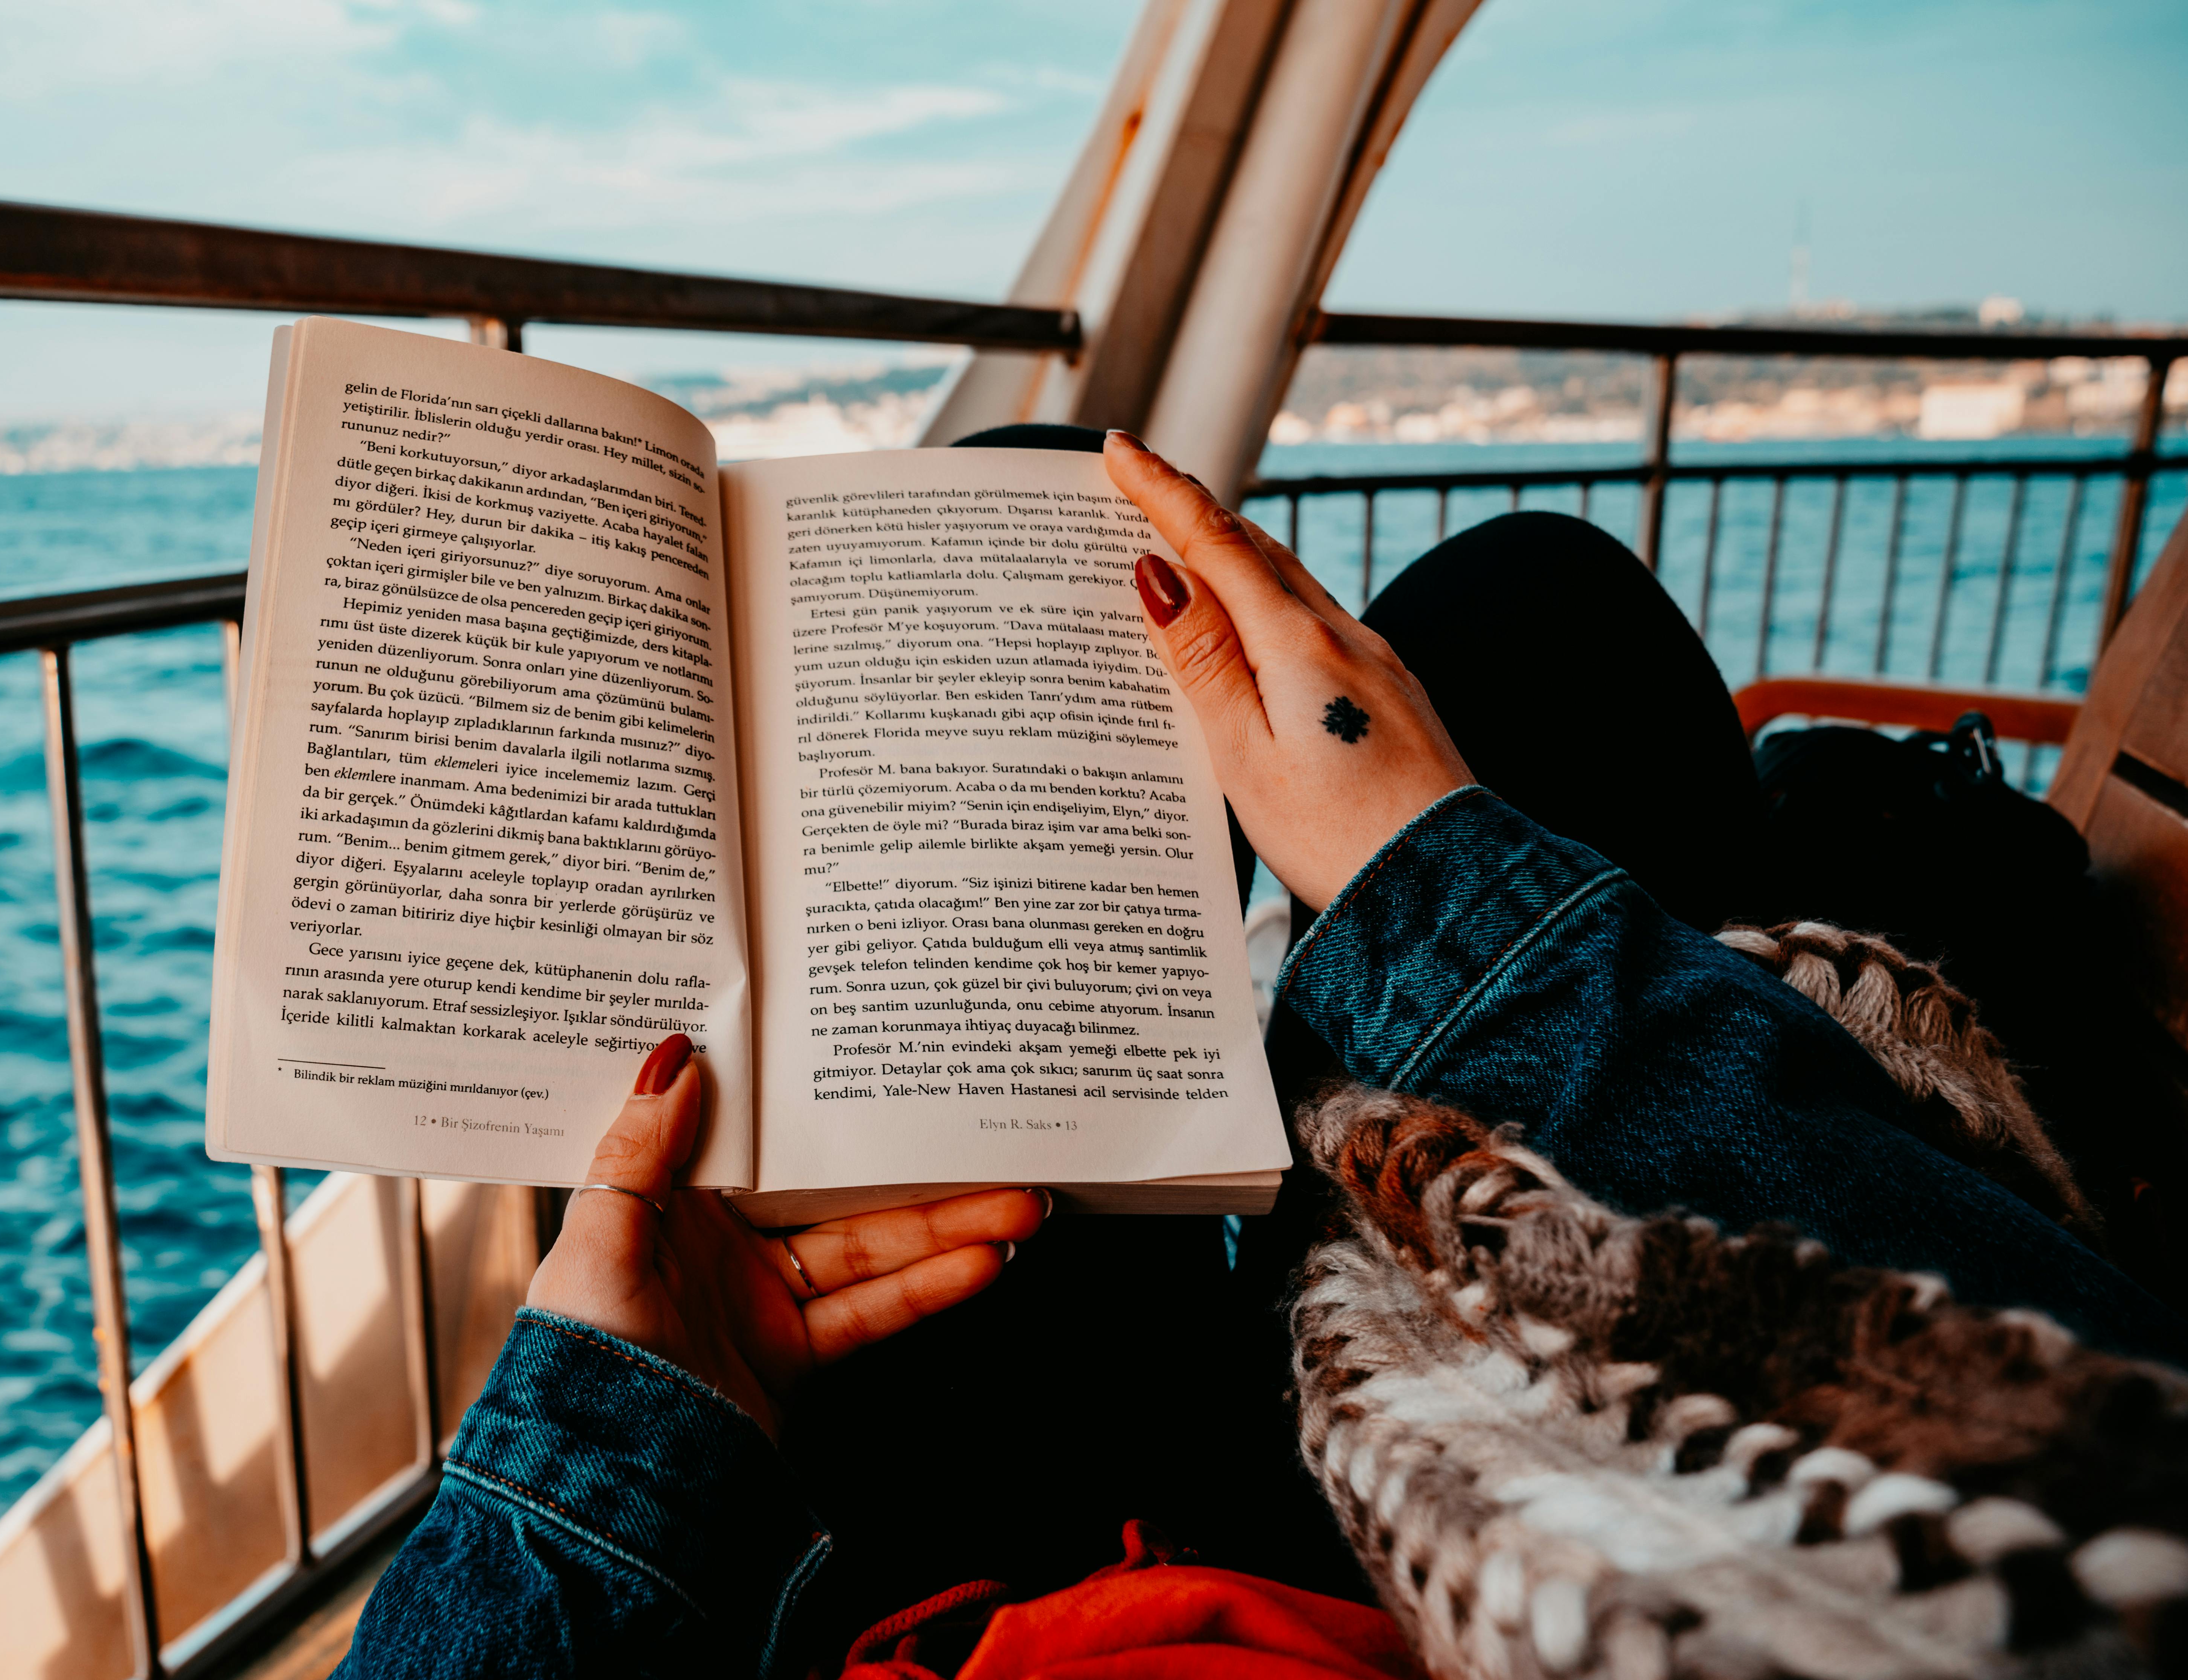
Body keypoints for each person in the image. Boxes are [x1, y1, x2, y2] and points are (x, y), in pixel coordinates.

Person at [332, 432, 2188, 1678]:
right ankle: (1327, 1079)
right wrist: (1424, 877)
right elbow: (2021, 1442)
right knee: (1530, 612)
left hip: (964, 1596)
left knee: (1037, 504)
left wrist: (614, 1431)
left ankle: (1289, 1121)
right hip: (1383, 1549)